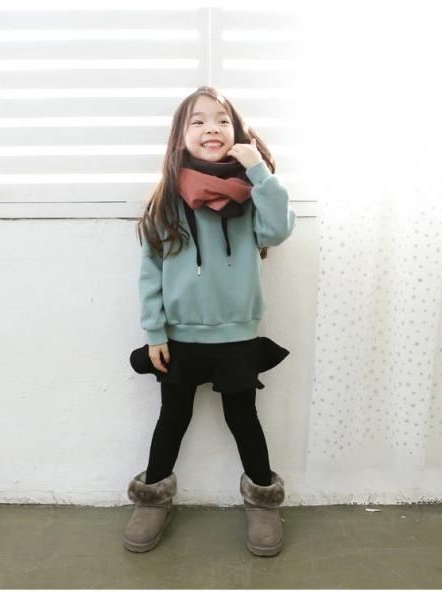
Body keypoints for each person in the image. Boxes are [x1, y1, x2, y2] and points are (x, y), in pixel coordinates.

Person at [124, 85, 297, 556]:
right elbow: (150, 273)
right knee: (171, 419)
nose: (211, 128)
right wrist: (155, 331)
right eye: (197, 121)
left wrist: (258, 168)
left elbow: (280, 229)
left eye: (222, 120)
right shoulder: (165, 202)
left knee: (244, 419)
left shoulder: (252, 197)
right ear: (180, 136)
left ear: (237, 133)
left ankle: (262, 501)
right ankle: (152, 497)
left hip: (236, 336)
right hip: (178, 338)